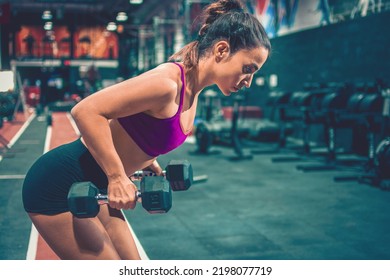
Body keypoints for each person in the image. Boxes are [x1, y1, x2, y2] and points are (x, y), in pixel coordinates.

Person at [22, 0, 271, 260]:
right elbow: (86, 110)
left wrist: (146, 158)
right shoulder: (167, 84)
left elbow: (141, 127)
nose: (248, 82)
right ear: (221, 50)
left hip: (93, 182)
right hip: (57, 183)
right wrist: (118, 176)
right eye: (248, 69)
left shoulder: (192, 91)